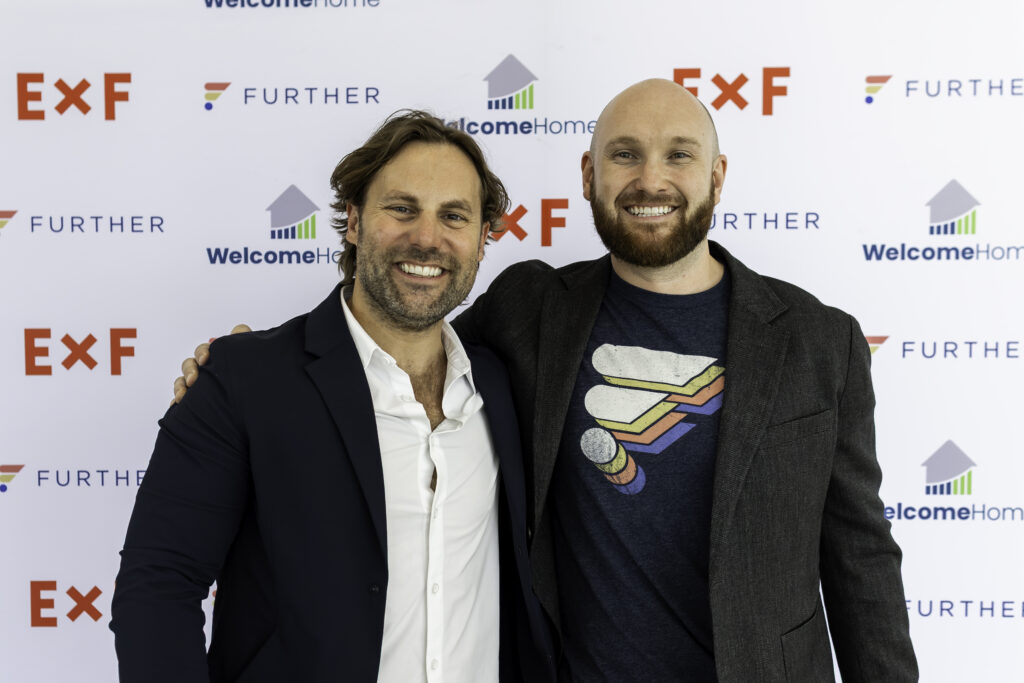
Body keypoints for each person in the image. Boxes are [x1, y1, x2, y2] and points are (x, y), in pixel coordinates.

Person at [178, 80, 918, 681]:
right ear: (589, 176)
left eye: (678, 155)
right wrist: (257, 371)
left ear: (717, 177)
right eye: (624, 155)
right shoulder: (529, 307)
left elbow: (861, 557)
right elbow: (397, 339)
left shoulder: (819, 342)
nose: (650, 179)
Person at [111, 111, 554, 683]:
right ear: (354, 221)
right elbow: (157, 587)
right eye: (402, 209)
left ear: (482, 240)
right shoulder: (244, 379)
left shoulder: (501, 381)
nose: (427, 238)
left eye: (453, 216)